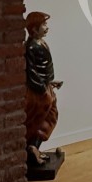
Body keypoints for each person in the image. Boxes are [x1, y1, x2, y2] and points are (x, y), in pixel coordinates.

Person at [24, 11, 63, 166]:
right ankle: (31, 148)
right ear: (34, 29)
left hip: (45, 88)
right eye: (44, 24)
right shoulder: (30, 47)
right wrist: (42, 89)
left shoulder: (40, 43)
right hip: (39, 92)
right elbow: (31, 72)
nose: (47, 27)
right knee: (37, 119)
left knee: (49, 117)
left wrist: (50, 82)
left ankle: (34, 148)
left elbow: (43, 69)